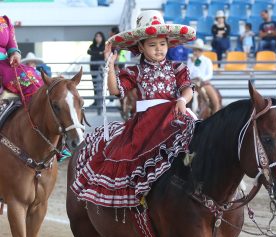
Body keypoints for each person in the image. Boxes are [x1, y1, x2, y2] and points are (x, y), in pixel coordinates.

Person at [71, 10, 196, 208]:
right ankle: (145, 196)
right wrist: (110, 65)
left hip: (175, 116)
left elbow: (188, 89)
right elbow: (115, 90)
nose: (159, 49)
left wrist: (182, 99)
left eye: (162, 44)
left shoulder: (177, 67)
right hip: (147, 123)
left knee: (198, 143)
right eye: (152, 45)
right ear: (141, 46)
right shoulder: (134, 71)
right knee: (139, 159)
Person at [0, 15, 43, 105]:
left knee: (35, 75)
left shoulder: (5, 21)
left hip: (5, 63)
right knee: (27, 79)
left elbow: (12, 45)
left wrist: (15, 53)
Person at [186, 38, 220, 113]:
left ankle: (215, 114)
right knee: (182, 97)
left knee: (215, 100)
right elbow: (188, 73)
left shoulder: (207, 61)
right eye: (195, 50)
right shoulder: (190, 60)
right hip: (192, 82)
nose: (196, 52)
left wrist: (202, 79)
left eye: (198, 50)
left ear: (202, 51)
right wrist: (192, 63)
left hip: (204, 83)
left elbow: (209, 74)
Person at [87, 31, 105, 106]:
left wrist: (96, 53)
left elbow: (103, 55)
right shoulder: (92, 45)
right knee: (95, 85)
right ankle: (96, 101)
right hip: (93, 68)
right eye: (96, 36)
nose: (98, 38)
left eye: (99, 36)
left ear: (102, 37)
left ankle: (102, 102)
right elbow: (88, 52)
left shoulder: (104, 46)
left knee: (102, 85)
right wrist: (99, 53)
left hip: (101, 69)